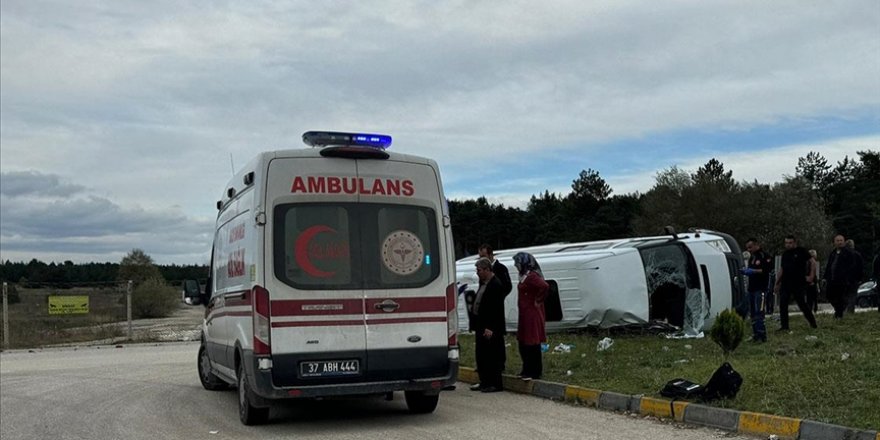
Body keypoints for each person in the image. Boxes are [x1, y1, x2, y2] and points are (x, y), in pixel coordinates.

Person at [469, 258, 507, 393]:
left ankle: (495, 383)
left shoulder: (495, 285)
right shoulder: (483, 283)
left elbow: (495, 309)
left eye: (479, 270)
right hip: (480, 324)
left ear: (486, 270)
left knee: (492, 355)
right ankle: (484, 381)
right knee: (482, 355)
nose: (477, 273)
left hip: (491, 327)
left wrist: (490, 327)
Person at [512, 251, 548, 381]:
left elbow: (544, 286)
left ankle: (534, 371)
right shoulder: (523, 276)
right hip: (524, 313)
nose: (516, 265)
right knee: (523, 342)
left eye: (518, 263)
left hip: (532, 313)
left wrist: (538, 300)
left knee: (532, 342)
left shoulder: (532, 276)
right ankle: (526, 368)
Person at [773, 235, 817, 331]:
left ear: (795, 243)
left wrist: (811, 276)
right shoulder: (785, 254)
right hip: (786, 282)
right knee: (783, 303)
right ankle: (785, 327)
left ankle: (813, 323)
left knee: (802, 304)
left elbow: (813, 262)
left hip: (798, 282)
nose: (788, 245)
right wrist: (777, 283)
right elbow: (782, 269)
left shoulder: (801, 251)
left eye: (790, 243)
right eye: (786, 243)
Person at [742, 239, 771, 342]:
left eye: (750, 247)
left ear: (756, 245)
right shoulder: (752, 257)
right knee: (753, 313)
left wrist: (752, 271)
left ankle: (762, 335)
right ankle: (755, 334)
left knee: (760, 312)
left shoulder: (764, 256)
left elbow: (765, 270)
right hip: (752, 288)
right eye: (747, 248)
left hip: (761, 288)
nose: (748, 250)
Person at [825, 234, 857, 319]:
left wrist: (849, 278)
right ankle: (839, 309)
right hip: (832, 279)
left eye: (841, 240)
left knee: (839, 297)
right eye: (837, 241)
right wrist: (825, 277)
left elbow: (852, 267)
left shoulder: (848, 253)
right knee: (829, 295)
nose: (839, 242)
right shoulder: (833, 253)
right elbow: (829, 265)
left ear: (844, 241)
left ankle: (839, 315)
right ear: (834, 242)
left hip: (842, 280)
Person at [845, 239, 864, 314]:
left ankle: (844, 311)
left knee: (845, 295)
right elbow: (861, 267)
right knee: (852, 295)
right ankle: (850, 311)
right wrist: (860, 278)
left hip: (845, 279)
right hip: (855, 279)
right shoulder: (857, 255)